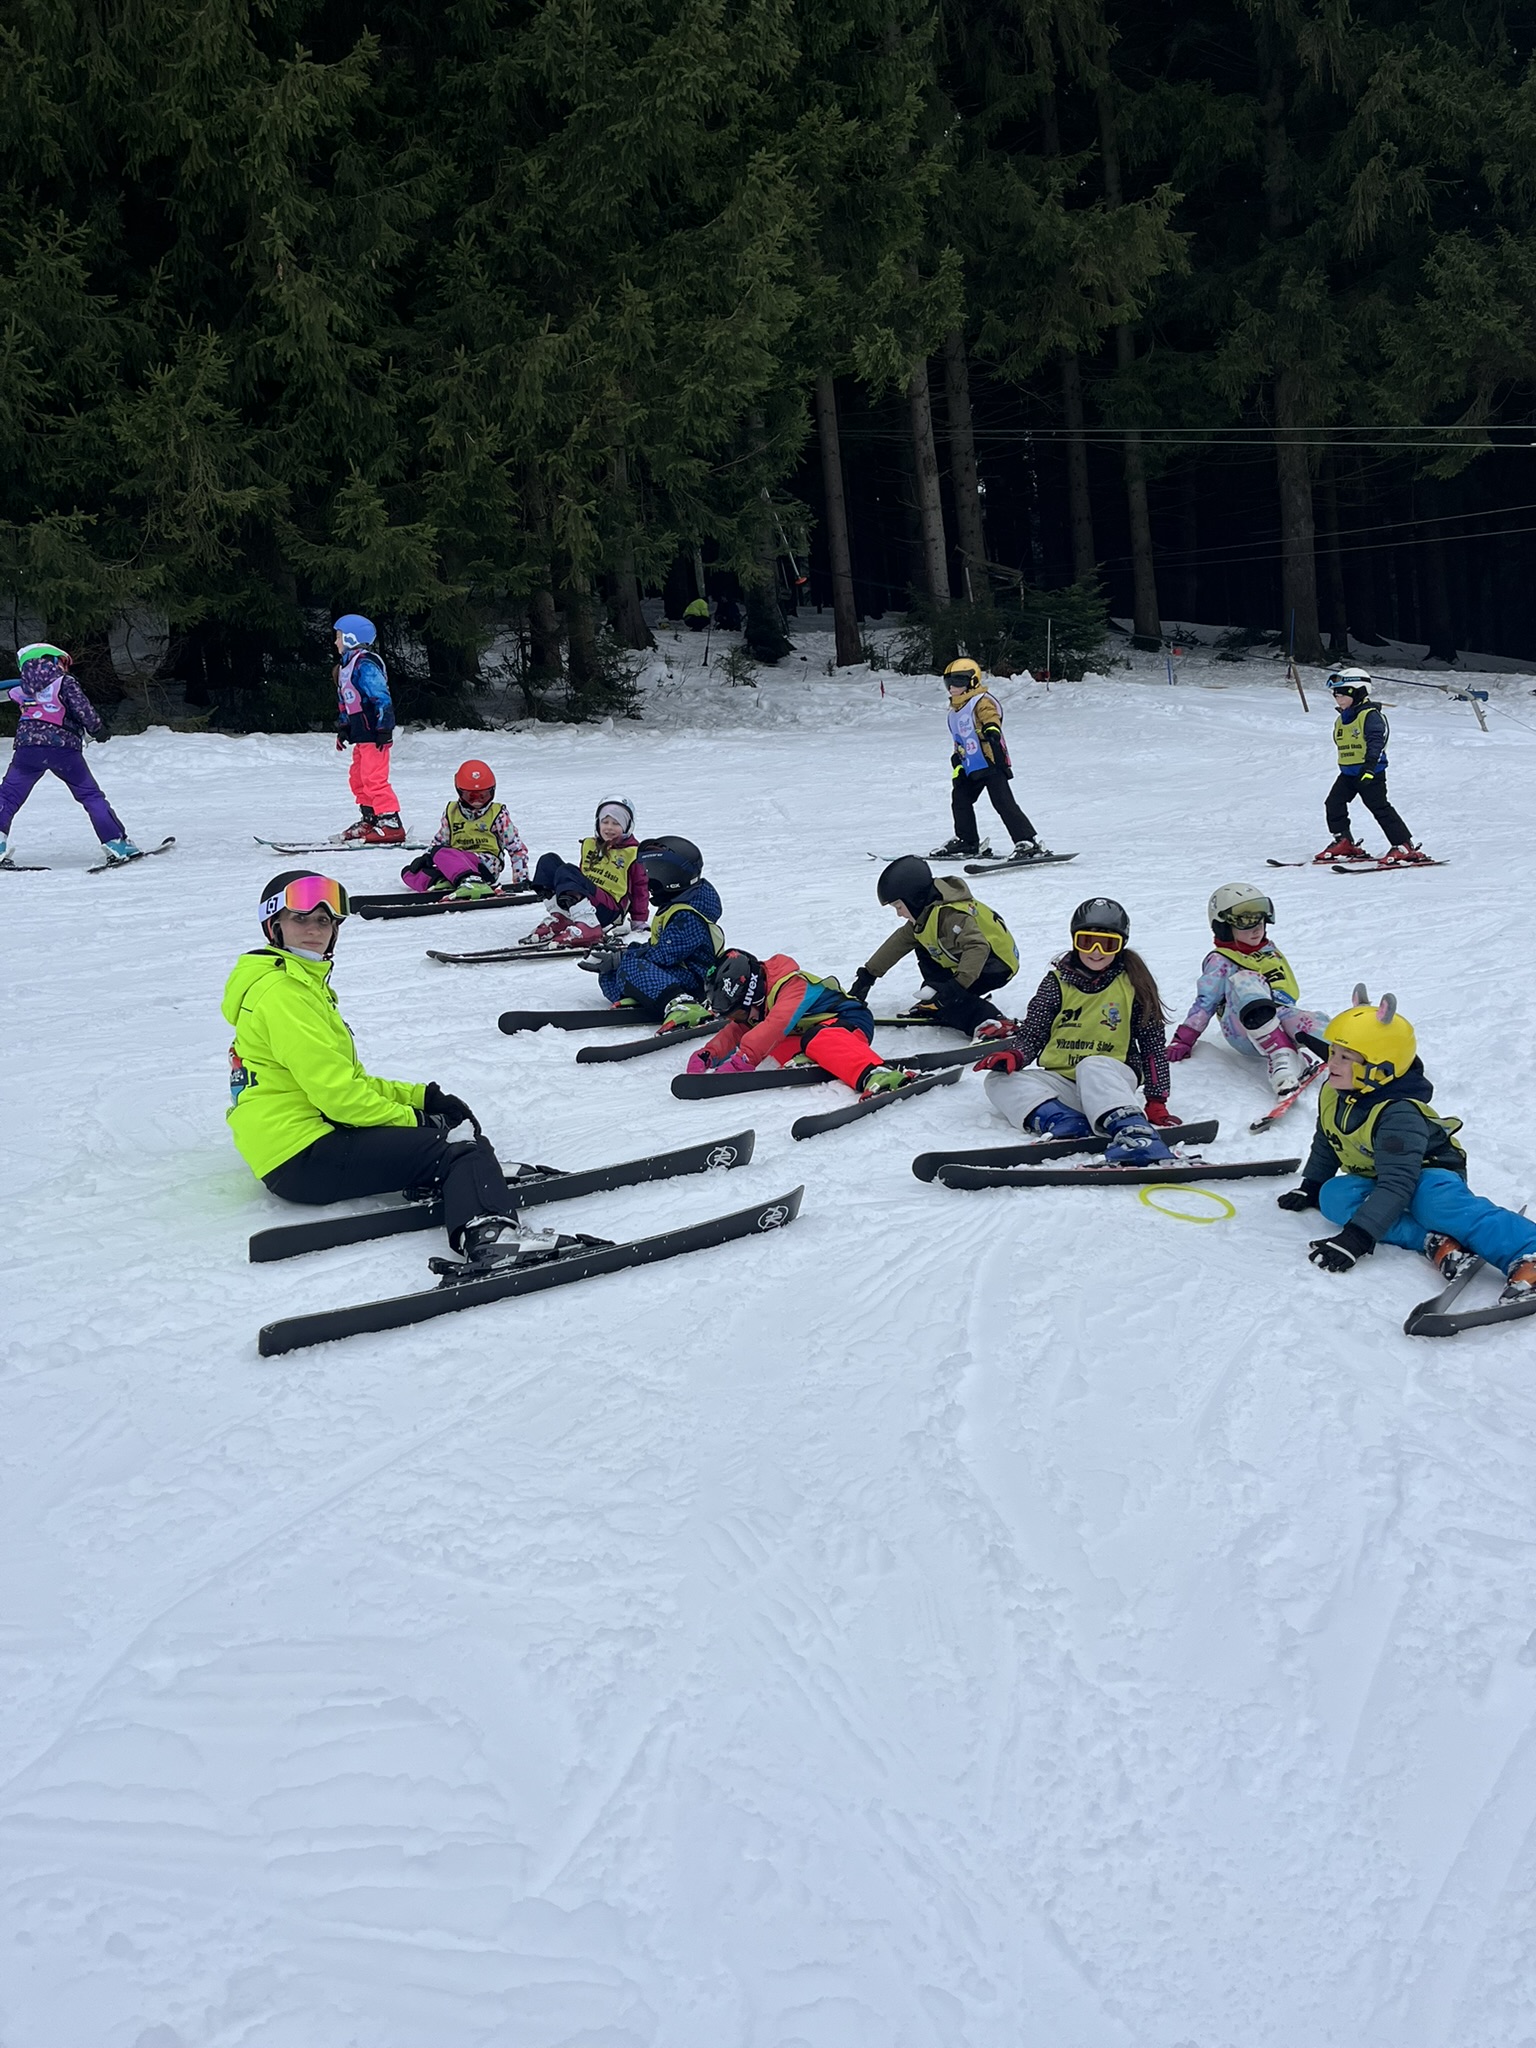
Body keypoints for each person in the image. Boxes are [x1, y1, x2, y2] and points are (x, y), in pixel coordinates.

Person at [224, 871, 559, 1273]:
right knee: (459, 1149)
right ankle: (491, 1237)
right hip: (303, 1158)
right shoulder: (285, 996)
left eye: (324, 921)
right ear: (274, 926)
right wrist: (420, 1121)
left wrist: (422, 1098)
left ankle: (458, 1175)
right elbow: (342, 1100)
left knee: (449, 1141)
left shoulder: (294, 983)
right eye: (300, 919)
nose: (314, 930)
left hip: (289, 1147)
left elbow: (347, 1080)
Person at [1279, 989, 1536, 1300]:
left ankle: (1528, 1250)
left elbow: (1399, 1182)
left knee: (1432, 1204)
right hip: (1380, 1174)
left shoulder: (1398, 1113)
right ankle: (1433, 1241)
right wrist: (1312, 1184)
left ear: (1381, 1069)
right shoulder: (1335, 1092)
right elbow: (1327, 1138)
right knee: (1334, 1196)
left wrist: (1357, 1237)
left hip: (1431, 1172)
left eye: (1345, 1057)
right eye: (1333, 1052)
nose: (1332, 1062)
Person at [974, 897, 1179, 1163]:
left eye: (1108, 944)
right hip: (1065, 1081)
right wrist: (1015, 1055)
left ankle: (1136, 1134)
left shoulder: (1132, 983)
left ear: (1121, 945)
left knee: (1091, 1065)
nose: (1096, 951)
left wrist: (1156, 1099)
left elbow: (1153, 1047)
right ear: (1074, 941)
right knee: (998, 1081)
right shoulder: (1057, 983)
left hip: (1111, 1078)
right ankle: (1064, 1120)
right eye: (1087, 942)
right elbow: (1034, 1033)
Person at [1165, 883, 1330, 1099]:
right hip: (1244, 1028)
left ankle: (1350, 1055)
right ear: (1224, 926)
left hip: (1278, 1018)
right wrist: (1184, 1038)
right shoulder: (1221, 960)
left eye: (1260, 920)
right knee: (1246, 979)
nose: (1256, 928)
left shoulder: (1268, 952)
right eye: (1245, 922)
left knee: (1312, 1021)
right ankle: (1282, 1056)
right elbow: (1205, 1002)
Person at [685, 949, 914, 1096]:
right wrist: (710, 1053)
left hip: (848, 1021)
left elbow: (776, 1024)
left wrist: (742, 1061)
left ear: (751, 994)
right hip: (809, 1032)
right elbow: (739, 1030)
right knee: (772, 1046)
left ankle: (875, 1074)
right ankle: (816, 1058)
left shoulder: (792, 986)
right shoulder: (757, 1003)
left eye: (737, 1013)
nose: (737, 1019)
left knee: (813, 1039)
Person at [0, 643, 142, 865]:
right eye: (63, 662)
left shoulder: (22, 688)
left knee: (8, 795)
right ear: (51, 660)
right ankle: (116, 843)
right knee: (90, 795)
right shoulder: (65, 682)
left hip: (28, 750)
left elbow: (6, 692)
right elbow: (82, 708)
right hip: (63, 749)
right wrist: (98, 729)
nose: (65, 667)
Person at [849, 856, 1019, 1035]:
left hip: (996, 965)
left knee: (950, 1002)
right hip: (975, 963)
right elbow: (897, 944)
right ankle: (938, 998)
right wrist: (867, 976)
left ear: (914, 899)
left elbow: (977, 947)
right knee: (921, 942)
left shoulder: (951, 914)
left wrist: (956, 987)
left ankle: (992, 1022)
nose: (899, 914)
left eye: (899, 906)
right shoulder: (925, 915)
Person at [580, 835, 724, 1020]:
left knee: (632, 967)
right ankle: (650, 997)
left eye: (657, 871)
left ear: (676, 875)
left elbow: (665, 955)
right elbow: (658, 947)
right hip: (677, 972)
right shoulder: (678, 903)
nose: (651, 878)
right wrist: (619, 955)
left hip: (697, 981)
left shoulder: (688, 915)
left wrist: (623, 958)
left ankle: (680, 1003)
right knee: (609, 973)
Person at [930, 658, 1047, 862]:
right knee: (960, 799)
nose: (952, 687)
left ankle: (1027, 842)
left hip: (991, 761)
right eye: (948, 682)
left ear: (973, 681)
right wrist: (957, 763)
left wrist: (991, 729)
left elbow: (990, 716)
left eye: (958, 681)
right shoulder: (954, 712)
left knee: (1002, 802)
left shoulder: (981, 701)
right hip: (971, 766)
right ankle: (967, 841)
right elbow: (960, 739)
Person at [1315, 667, 1430, 865]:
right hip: (1348, 773)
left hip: (1370, 772)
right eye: (1335, 694)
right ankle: (1343, 841)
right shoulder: (1342, 719)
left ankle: (1404, 846)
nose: (1338, 698)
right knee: (1333, 803)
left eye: (1343, 694)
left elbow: (1377, 741)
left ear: (1358, 692)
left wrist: (1369, 767)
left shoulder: (1370, 715)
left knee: (1379, 807)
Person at [524, 798, 650, 949]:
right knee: (548, 861)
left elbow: (640, 888)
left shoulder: (632, 853)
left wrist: (639, 921)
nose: (609, 828)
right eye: (605, 822)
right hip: (587, 901)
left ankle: (590, 927)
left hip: (608, 909)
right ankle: (562, 916)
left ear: (627, 826)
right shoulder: (591, 845)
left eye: (616, 823)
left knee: (568, 871)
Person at [400, 760, 530, 900]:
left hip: (484, 865)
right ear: (460, 792)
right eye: (471, 796)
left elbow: (516, 849)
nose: (477, 801)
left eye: (483, 796)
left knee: (442, 852)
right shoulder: (452, 812)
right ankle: (443, 882)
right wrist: (426, 857)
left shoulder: (498, 814)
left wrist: (521, 881)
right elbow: (439, 842)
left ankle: (473, 881)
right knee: (409, 873)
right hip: (456, 863)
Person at [333, 613, 403, 845]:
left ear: (351, 638)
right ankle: (371, 819)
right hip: (361, 734)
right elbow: (346, 702)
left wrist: (384, 728)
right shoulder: (345, 666)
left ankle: (390, 822)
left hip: (374, 732)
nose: (335, 641)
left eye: (339, 636)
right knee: (358, 778)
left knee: (374, 778)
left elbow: (381, 697)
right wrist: (344, 728)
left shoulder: (365, 664)